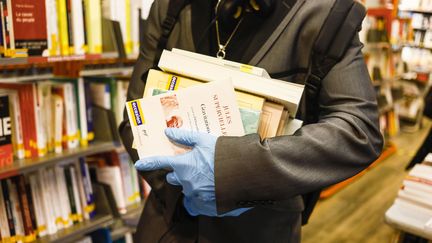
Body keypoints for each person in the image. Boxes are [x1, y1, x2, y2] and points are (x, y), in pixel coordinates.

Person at [118, 0, 384, 242]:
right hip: (166, 223)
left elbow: (358, 130)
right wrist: (181, 192)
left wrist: (229, 171)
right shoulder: (170, 7)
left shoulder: (326, 15)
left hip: (261, 230)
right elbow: (134, 116)